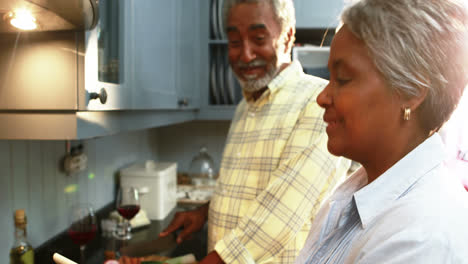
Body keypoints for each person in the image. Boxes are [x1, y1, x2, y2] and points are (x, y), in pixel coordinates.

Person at [159, 0, 351, 263]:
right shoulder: (244, 108)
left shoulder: (318, 103)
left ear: (288, 37)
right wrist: (206, 212)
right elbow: (250, 189)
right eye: (235, 42)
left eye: (259, 39)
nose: (245, 55)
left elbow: (282, 213)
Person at [294, 0, 468, 263]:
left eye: (343, 79)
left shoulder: (422, 238)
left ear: (412, 91)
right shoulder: (356, 191)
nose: (322, 96)